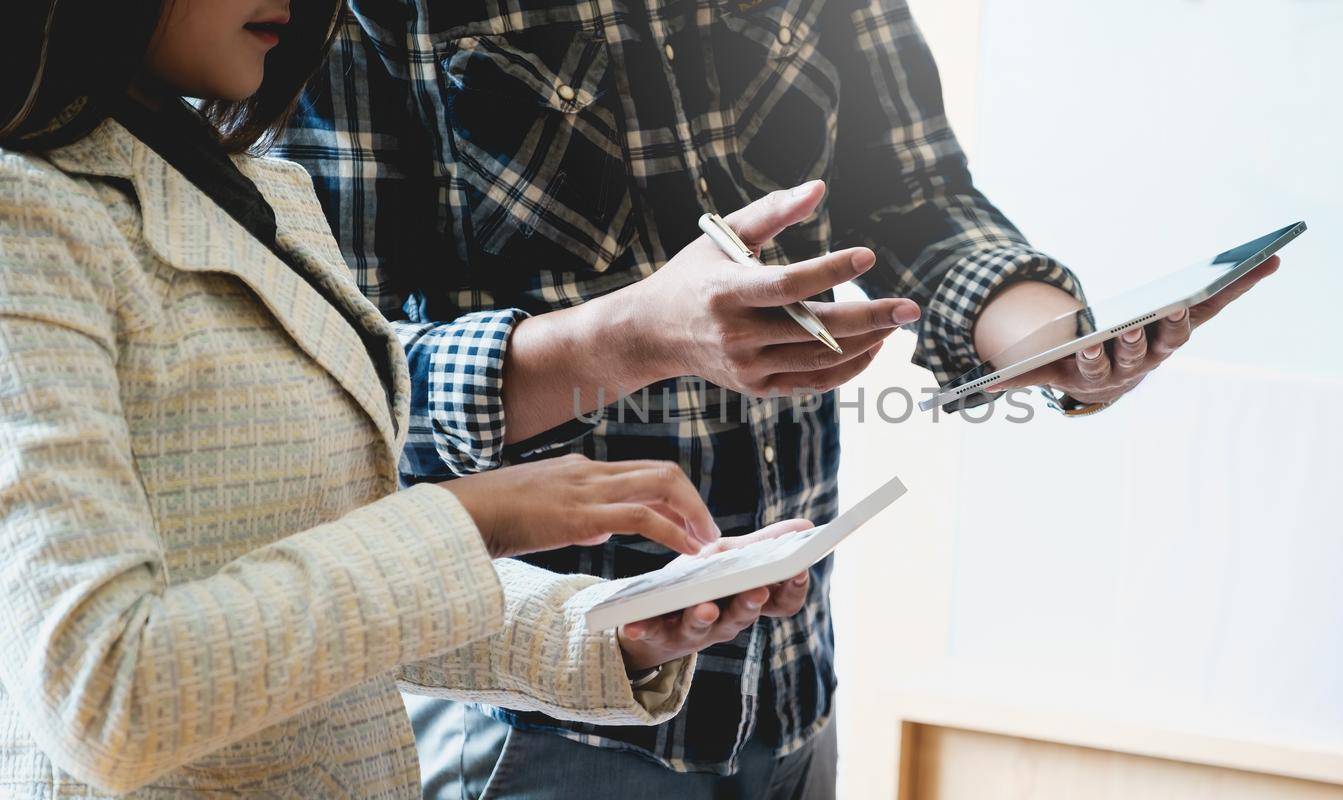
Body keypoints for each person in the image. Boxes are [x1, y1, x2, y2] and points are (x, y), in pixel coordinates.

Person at [279, 0, 1280, 796]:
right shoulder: (348, 17)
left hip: (789, 693)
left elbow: (915, 193)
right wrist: (634, 338)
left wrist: (1047, 341)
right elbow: (332, 386)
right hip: (533, 724)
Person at [0, 1, 814, 796]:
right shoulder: (24, 216)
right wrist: (474, 519)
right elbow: (103, 697)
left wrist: (611, 625)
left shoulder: (262, 192)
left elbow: (333, 596)